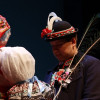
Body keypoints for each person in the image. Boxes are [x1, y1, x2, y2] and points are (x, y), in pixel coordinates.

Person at [41, 12, 100, 100]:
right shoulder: (51, 74)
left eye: (59, 45)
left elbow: (92, 97)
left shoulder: (90, 65)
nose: (55, 50)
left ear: (73, 41)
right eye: (52, 46)